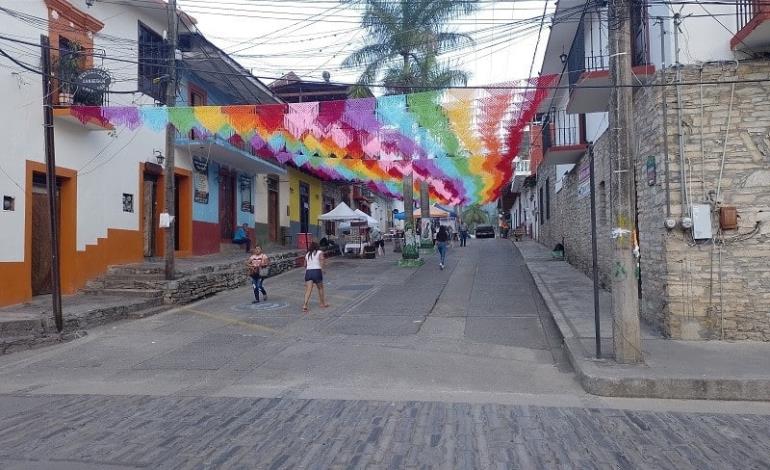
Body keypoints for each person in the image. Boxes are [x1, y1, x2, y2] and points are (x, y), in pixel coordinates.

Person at [302, 242, 329, 312]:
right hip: (317, 271)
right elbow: (322, 260)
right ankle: (322, 303)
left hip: (308, 272)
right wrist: (322, 269)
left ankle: (305, 305)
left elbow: (304, 265)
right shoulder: (320, 252)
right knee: (320, 288)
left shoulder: (307, 254)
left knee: (308, 290)